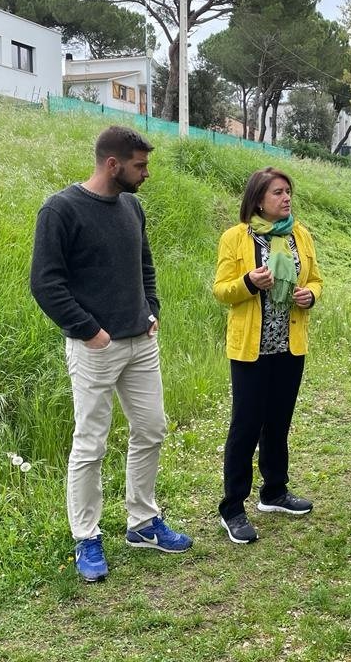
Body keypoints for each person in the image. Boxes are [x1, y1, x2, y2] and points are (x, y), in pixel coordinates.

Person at [29, 125, 192, 583]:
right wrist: (89, 331)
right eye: (140, 166)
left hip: (141, 342)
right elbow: (45, 282)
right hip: (95, 347)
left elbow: (145, 266)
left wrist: (151, 309)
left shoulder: (132, 207)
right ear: (113, 164)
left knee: (152, 428)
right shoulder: (61, 210)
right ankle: (86, 536)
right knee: (91, 442)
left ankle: (142, 523)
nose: (147, 174)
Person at [213, 167, 323, 544]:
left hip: (289, 346)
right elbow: (222, 290)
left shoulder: (299, 234)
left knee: (278, 422)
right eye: (278, 192)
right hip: (251, 348)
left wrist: (311, 295)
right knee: (245, 426)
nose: (286, 198)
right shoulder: (236, 238)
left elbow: (316, 279)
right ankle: (233, 507)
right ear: (259, 199)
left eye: (288, 191)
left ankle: (274, 492)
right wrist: (248, 283)